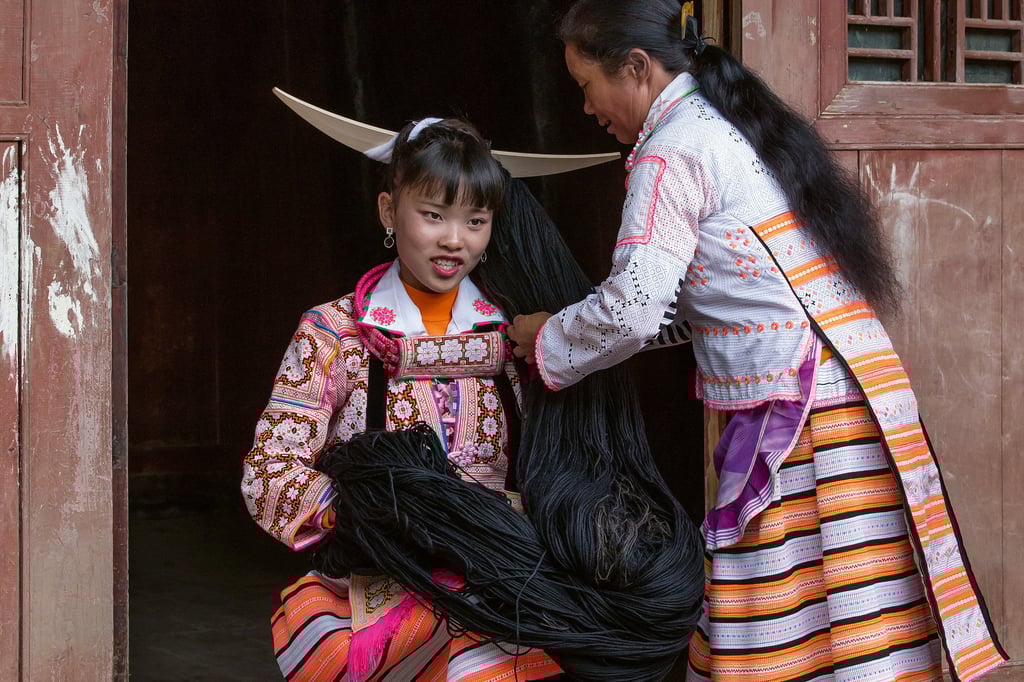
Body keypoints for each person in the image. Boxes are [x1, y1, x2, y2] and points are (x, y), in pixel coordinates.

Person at [507, 1, 1009, 680]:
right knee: (859, 627)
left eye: (585, 85)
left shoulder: (670, 151)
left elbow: (631, 311)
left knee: (779, 627)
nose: (588, 107)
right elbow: (709, 302)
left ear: (634, 67)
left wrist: (547, 338)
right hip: (852, 391)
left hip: (801, 412)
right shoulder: (727, 124)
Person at [241, 117, 564, 681]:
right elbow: (269, 470)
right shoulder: (334, 332)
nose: (454, 240)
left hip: (503, 576)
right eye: (433, 215)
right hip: (380, 574)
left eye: (476, 220)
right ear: (389, 212)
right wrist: (369, 514)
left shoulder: (521, 334)